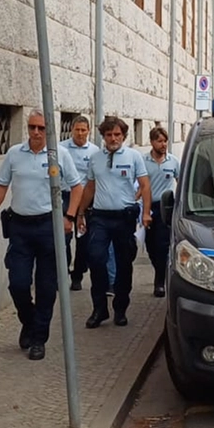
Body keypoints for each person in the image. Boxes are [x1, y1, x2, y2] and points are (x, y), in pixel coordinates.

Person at [0, 109, 84, 360]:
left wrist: (69, 217)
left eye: (41, 128)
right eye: (32, 127)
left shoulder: (59, 154)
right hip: (20, 227)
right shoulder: (14, 154)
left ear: (48, 130)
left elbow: (76, 187)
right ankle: (28, 322)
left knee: (46, 286)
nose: (36, 132)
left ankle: (39, 338)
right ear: (27, 129)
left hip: (48, 227)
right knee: (18, 283)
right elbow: (1, 184)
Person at [75, 115, 151, 328]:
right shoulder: (96, 158)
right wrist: (80, 213)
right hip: (100, 217)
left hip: (124, 217)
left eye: (117, 134)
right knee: (96, 258)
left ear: (124, 136)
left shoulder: (134, 157)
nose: (113, 138)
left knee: (124, 264)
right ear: (103, 136)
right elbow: (90, 187)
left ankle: (120, 308)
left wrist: (146, 213)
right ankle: (99, 309)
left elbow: (145, 185)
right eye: (109, 134)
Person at [60, 115, 115, 291]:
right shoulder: (62, 149)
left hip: (86, 199)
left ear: (89, 131)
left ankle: (78, 274)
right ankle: (62, 272)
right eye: (77, 129)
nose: (80, 133)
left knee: (83, 240)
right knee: (63, 238)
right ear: (72, 130)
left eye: (84, 130)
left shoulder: (94, 151)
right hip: (66, 197)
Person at [142, 126, 180, 298]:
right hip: (147, 208)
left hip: (165, 207)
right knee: (150, 246)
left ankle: (160, 282)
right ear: (152, 142)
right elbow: (140, 185)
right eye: (160, 141)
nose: (163, 144)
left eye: (165, 141)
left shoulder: (173, 161)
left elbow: (181, 181)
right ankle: (158, 269)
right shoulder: (143, 161)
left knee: (163, 245)